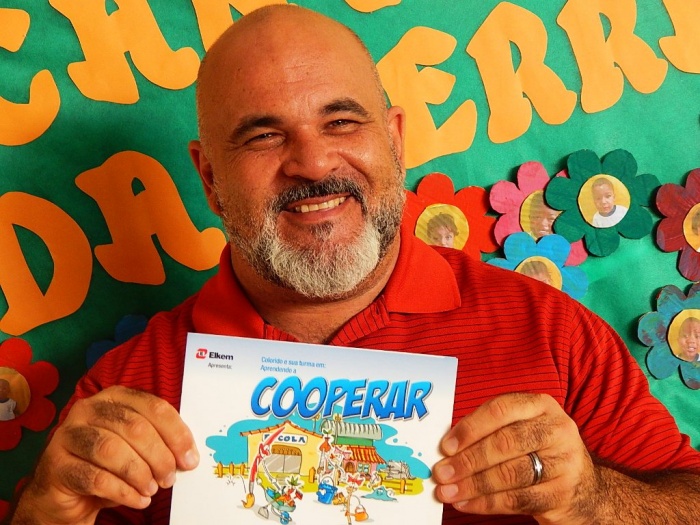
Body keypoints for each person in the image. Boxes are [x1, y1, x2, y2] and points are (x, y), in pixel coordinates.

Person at [7, 5, 700, 525]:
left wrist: (594, 500)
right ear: (211, 179)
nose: (313, 162)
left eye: (341, 122)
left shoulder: (551, 330)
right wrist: (47, 508)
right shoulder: (127, 389)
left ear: (394, 141)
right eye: (264, 134)